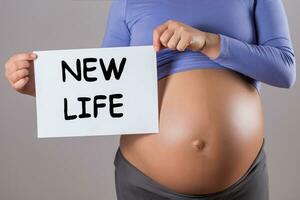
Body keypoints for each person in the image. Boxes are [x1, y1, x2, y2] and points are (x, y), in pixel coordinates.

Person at [4, 0, 296, 199]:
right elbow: (106, 85)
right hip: (147, 185)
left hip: (241, 183)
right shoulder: (129, 1)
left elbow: (284, 69)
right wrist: (45, 87)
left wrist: (210, 42)